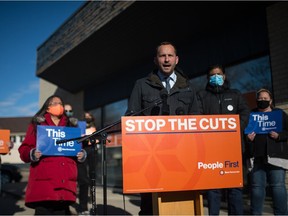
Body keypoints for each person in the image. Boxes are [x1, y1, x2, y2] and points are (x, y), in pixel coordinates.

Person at [126, 41, 199, 215]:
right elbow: (131, 117)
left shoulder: (188, 87)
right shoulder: (142, 84)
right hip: (152, 157)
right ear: (156, 60)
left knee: (179, 203)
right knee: (149, 207)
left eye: (170, 55)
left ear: (177, 59)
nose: (166, 59)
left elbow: (196, 119)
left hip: (181, 156)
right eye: (162, 55)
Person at [18, 95, 86, 215]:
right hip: (44, 185)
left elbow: (77, 149)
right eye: (54, 103)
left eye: (60, 103)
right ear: (48, 107)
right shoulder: (37, 125)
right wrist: (32, 153)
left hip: (66, 186)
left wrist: (81, 155)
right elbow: (24, 149)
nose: (59, 106)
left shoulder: (71, 126)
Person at [197, 64, 250, 215]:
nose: (216, 77)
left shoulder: (235, 94)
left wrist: (233, 129)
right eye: (212, 75)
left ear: (224, 76)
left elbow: (245, 113)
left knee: (235, 188)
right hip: (212, 151)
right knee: (214, 190)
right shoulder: (202, 96)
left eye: (218, 74)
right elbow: (198, 117)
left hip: (234, 150)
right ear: (208, 78)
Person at [246, 88, 288, 215]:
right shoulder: (251, 115)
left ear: (270, 101)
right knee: (257, 189)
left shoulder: (279, 114)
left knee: (278, 187)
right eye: (260, 98)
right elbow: (244, 133)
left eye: (265, 99)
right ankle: (256, 213)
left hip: (276, 157)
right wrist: (248, 138)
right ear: (256, 100)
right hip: (257, 157)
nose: (262, 100)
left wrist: (279, 136)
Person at [76, 111, 97, 215]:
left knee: (93, 178)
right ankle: (83, 207)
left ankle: (93, 205)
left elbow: (97, 140)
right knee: (83, 180)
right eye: (86, 115)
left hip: (92, 151)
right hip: (82, 150)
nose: (87, 116)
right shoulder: (80, 125)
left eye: (89, 115)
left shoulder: (95, 126)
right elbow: (78, 138)